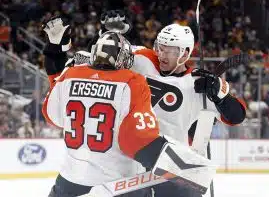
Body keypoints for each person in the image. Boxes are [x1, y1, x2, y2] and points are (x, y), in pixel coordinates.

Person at [41, 18, 215, 197]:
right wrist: (186, 170)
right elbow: (139, 140)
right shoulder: (131, 81)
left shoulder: (70, 75)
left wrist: (54, 51)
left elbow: (51, 115)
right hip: (117, 185)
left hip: (69, 182)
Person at [98, 11, 247, 197]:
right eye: (160, 47)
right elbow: (107, 51)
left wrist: (220, 97)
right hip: (132, 160)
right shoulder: (144, 58)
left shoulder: (199, 83)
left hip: (172, 164)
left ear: (185, 53)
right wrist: (110, 32)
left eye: (169, 50)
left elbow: (237, 116)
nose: (161, 54)